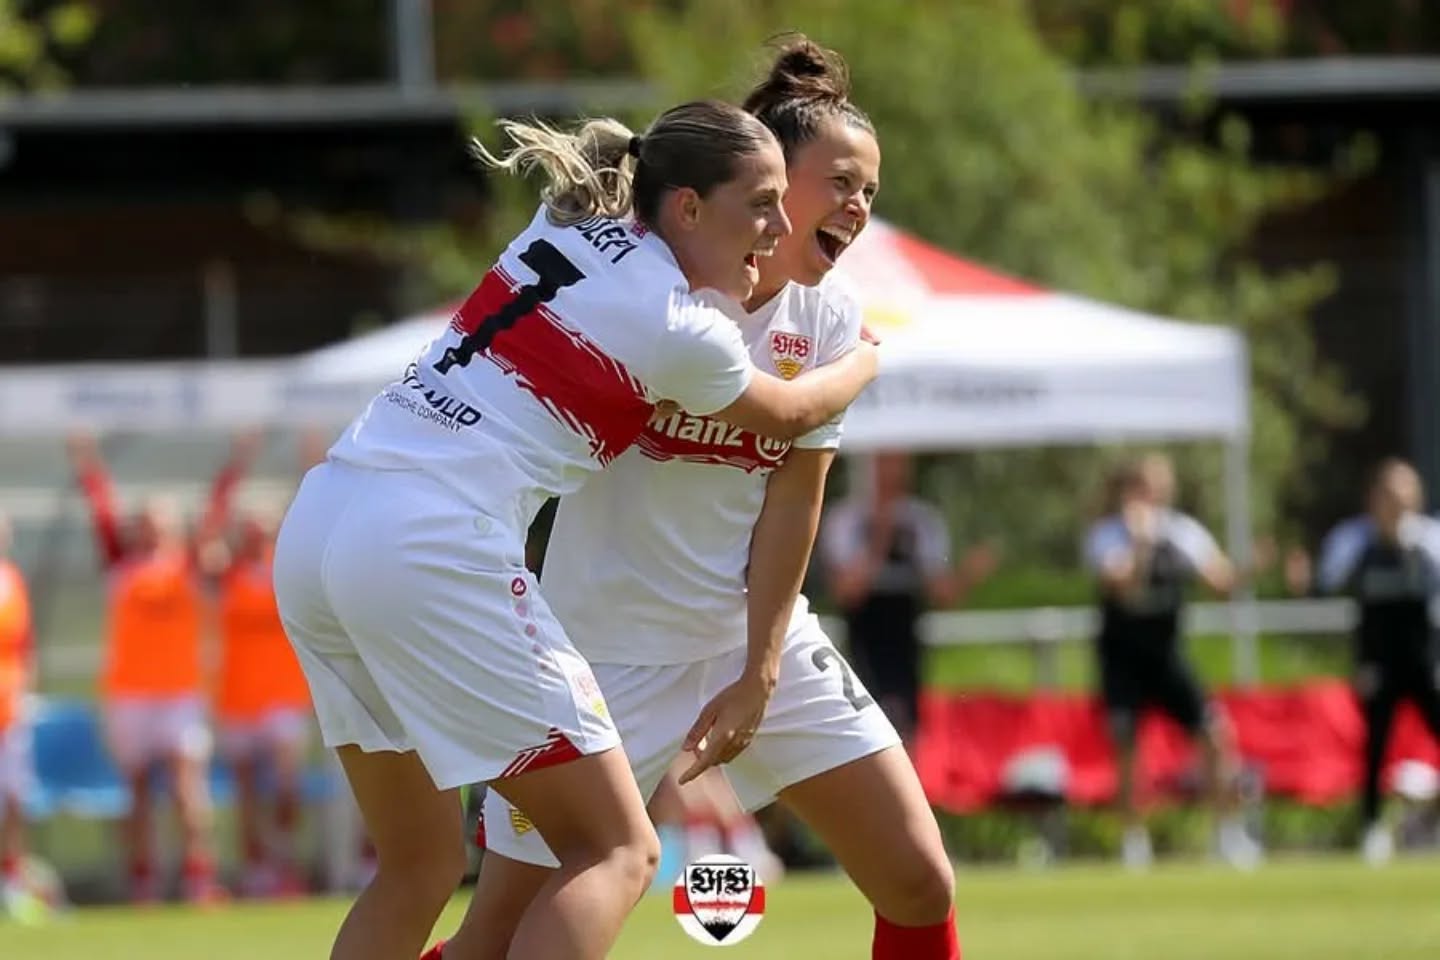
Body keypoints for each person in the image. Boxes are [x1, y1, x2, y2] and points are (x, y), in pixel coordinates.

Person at [272, 96, 878, 960]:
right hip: (428, 540)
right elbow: (787, 413)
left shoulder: (573, 224)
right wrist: (863, 359)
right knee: (618, 851)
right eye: (761, 204)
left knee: (418, 864)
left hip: (324, 519)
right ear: (688, 208)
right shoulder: (684, 328)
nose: (779, 226)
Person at [441, 38, 959, 960]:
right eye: (840, 181)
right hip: (604, 660)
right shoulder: (654, 285)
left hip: (753, 641)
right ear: (767, 176)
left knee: (920, 881)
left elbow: (795, 502)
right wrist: (866, 370)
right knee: (494, 932)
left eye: (870, 192)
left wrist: (762, 668)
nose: (858, 207)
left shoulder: (826, 316)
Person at [67, 432, 252, 903]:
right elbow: (101, 509)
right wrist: (85, 459)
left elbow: (215, 513)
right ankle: (144, 878)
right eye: (145, 521)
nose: (150, 529)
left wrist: (238, 460)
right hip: (129, 694)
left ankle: (198, 876)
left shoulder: (185, 565)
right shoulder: (121, 565)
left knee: (189, 791)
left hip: (178, 696)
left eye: (159, 522)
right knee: (138, 794)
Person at [1084, 453, 1261, 870]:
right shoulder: (1107, 536)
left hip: (1165, 655)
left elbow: (1221, 581)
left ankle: (1228, 835)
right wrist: (1141, 543)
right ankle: (1133, 840)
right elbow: (1123, 586)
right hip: (1122, 656)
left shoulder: (1182, 533)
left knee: (1214, 734)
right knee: (1126, 744)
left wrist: (1254, 567)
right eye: (1144, 487)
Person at [1302, 458, 1440, 864]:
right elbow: (1323, 588)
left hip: (1425, 659)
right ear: (1373, 498)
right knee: (1375, 746)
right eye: (1388, 494)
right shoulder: (1353, 541)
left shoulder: (1429, 540)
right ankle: (1371, 827)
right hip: (1377, 661)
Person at [822, 451, 997, 748]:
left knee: (907, 715)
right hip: (865, 624)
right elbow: (847, 591)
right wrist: (881, 534)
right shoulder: (845, 519)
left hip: (905, 621)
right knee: (866, 713)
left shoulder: (922, 519)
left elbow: (942, 593)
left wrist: (968, 575)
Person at [205, 503, 313, 897]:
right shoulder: (226, 574)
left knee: (287, 786)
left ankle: (283, 859)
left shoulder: (285, 571)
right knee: (246, 791)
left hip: (283, 696)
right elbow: (205, 535)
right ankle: (255, 868)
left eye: (264, 531)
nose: (257, 538)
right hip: (237, 698)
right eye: (250, 531)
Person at [0, 511, 42, 920]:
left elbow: (25, 645)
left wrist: (25, 690)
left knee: (15, 798)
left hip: (10, 709)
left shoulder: (12, 580)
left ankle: (12, 880)